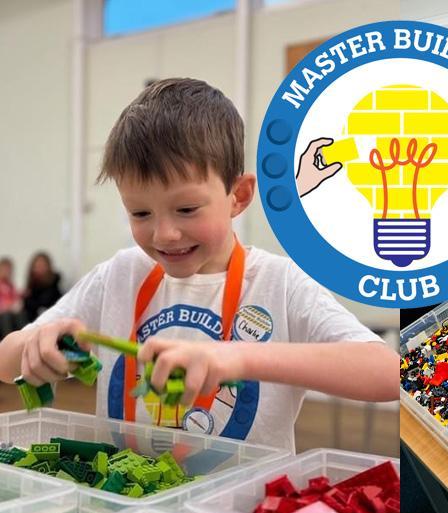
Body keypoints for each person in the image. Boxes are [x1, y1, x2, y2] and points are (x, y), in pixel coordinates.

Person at [0, 78, 398, 451]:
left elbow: (388, 372)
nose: (164, 234)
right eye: (140, 214)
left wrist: (237, 358)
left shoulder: (278, 282)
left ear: (238, 196)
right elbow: (6, 359)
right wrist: (39, 348)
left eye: (187, 209)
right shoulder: (119, 276)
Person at [22, 252, 63, 323]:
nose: (40, 268)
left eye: (42, 265)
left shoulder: (54, 283)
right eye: (37, 266)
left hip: (49, 316)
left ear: (48, 267)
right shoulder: (32, 284)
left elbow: (46, 302)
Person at [0, 258, 24, 338]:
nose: (7, 272)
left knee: (20, 314)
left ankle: (23, 336)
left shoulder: (11, 285)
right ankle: (8, 340)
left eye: (9, 270)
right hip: (3, 313)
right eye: (4, 269)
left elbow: (16, 299)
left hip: (11, 312)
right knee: (6, 316)